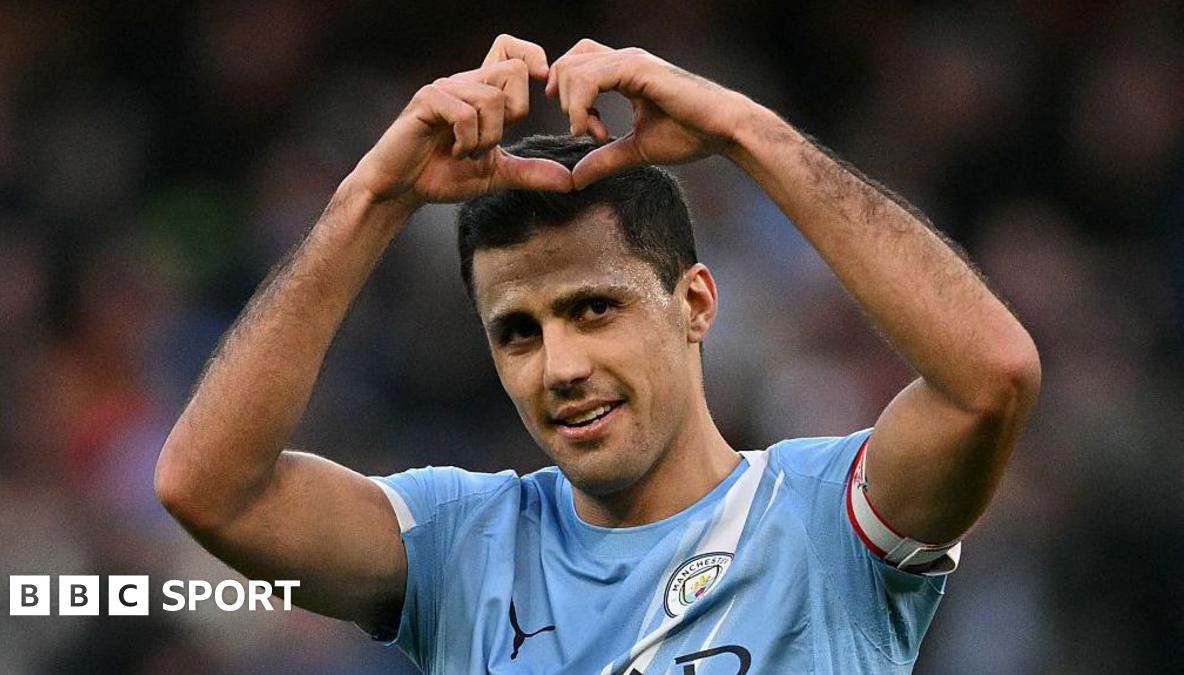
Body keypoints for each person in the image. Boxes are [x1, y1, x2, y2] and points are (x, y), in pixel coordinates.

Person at [154, 34, 1041, 674]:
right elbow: (212, 489)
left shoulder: (828, 519)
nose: (560, 364)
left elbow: (989, 379)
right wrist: (372, 199)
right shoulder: (464, 545)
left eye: (593, 307)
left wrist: (748, 136)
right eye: (519, 331)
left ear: (694, 302)